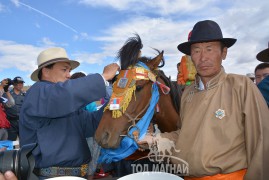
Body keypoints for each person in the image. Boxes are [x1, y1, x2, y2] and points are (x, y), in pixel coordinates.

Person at [139, 20, 269, 179]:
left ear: (224, 53)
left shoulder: (241, 87)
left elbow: (261, 142)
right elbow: (183, 135)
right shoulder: (188, 93)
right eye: (196, 50)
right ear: (190, 56)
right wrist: (152, 140)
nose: (203, 57)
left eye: (209, 49)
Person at [19, 47, 119, 179]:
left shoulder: (64, 105)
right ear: (46, 71)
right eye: (64, 69)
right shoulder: (37, 92)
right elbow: (65, 94)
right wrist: (103, 77)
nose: (69, 75)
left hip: (76, 175)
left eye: (70, 70)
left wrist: (116, 98)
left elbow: (92, 123)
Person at [3, 76, 25, 141]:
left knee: (24, 141)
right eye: (18, 83)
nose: (20, 84)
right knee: (10, 142)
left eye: (21, 83)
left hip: (22, 122)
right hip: (11, 123)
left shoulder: (25, 95)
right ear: (14, 84)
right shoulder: (6, 94)